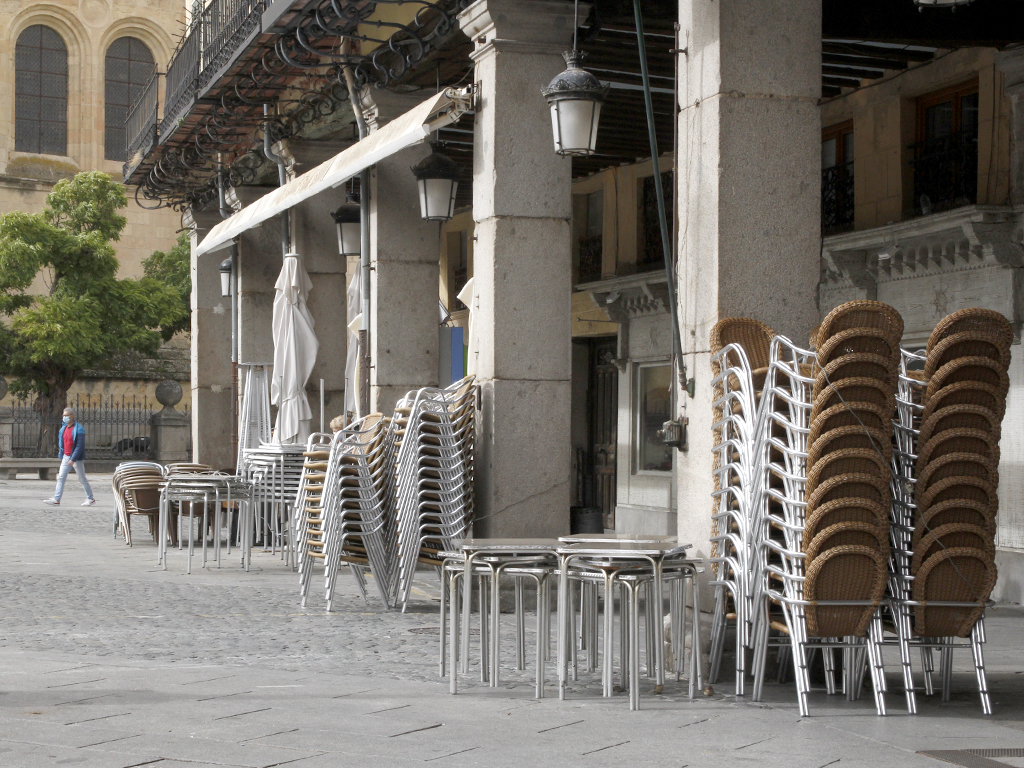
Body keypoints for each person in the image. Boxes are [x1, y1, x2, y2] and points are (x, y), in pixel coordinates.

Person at [44, 408, 95, 506]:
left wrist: (73, 459)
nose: (64, 417)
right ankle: (56, 499)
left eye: (66, 415)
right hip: (66, 456)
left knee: (81, 478)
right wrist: (63, 455)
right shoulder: (63, 429)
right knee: (61, 477)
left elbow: (79, 446)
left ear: (72, 416)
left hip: (76, 458)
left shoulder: (79, 429)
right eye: (63, 415)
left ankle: (90, 498)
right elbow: (62, 443)